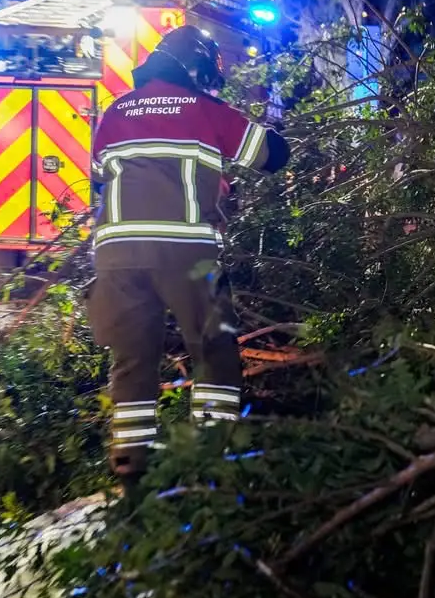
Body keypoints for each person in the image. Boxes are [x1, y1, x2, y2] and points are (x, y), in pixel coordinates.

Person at [87, 25, 290, 488]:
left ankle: (130, 467)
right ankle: (210, 456)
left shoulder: (116, 110)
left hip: (116, 255)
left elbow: (101, 174)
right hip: (188, 253)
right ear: (197, 68)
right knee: (213, 348)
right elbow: (273, 155)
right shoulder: (208, 110)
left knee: (132, 360)